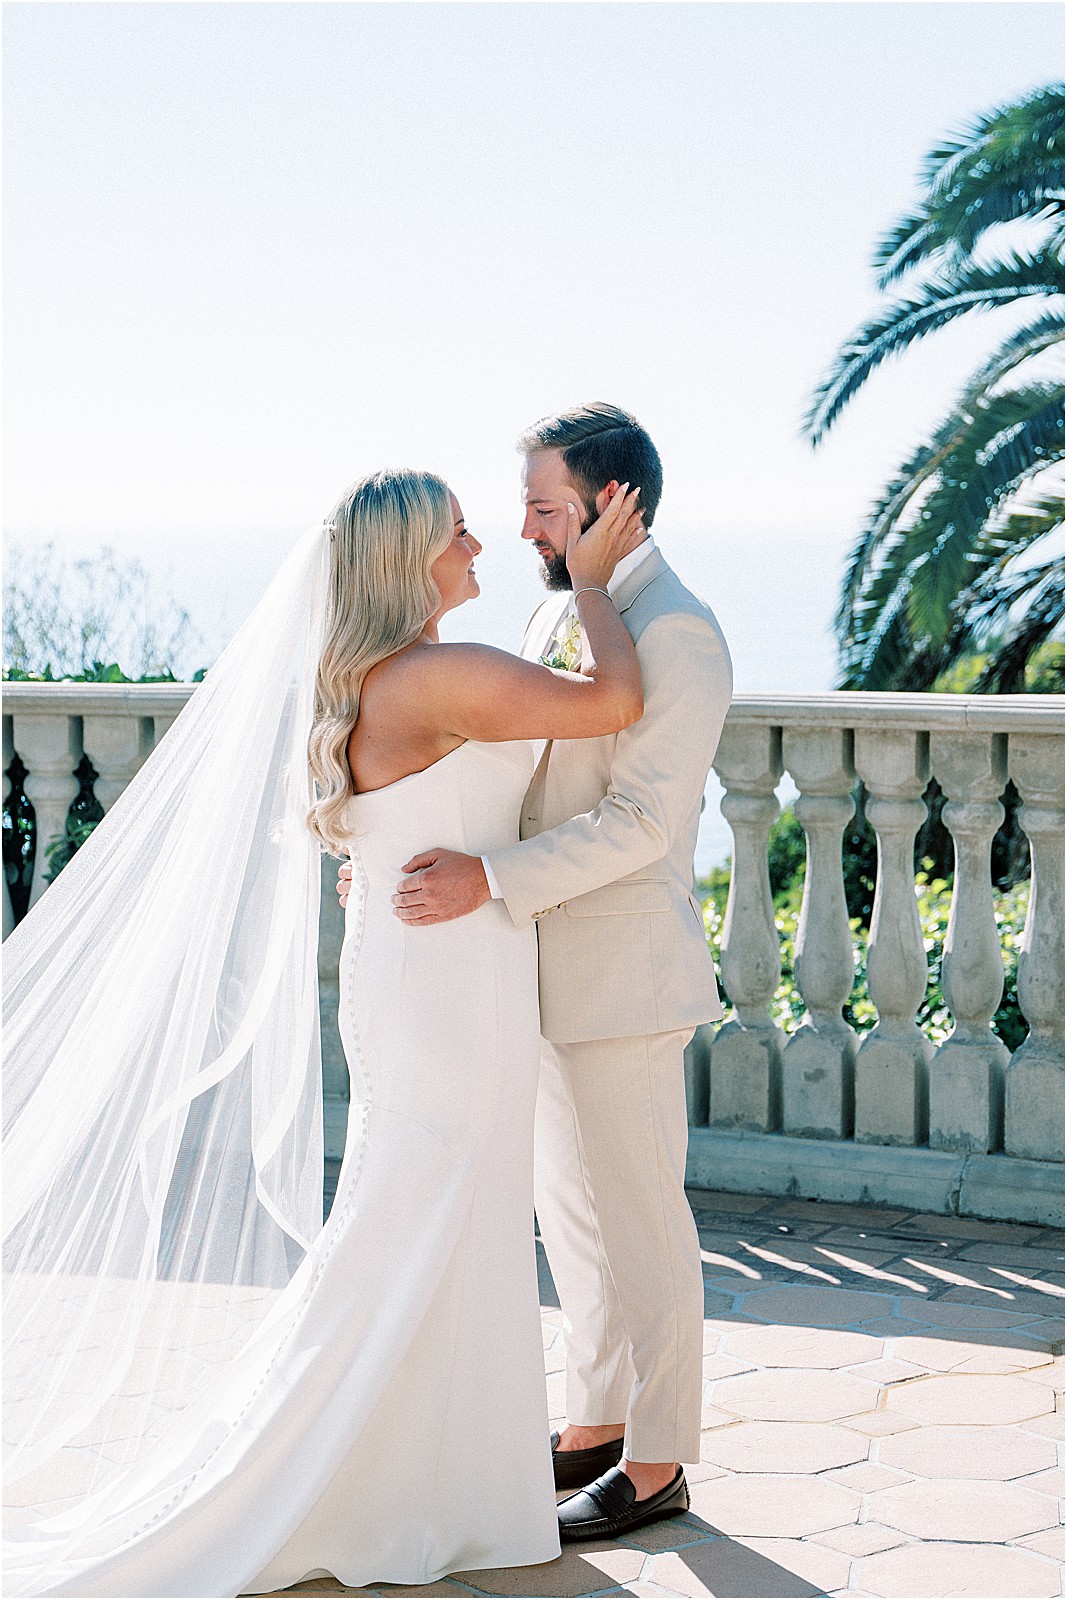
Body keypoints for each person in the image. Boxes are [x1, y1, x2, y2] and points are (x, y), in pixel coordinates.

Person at [3, 468, 645, 1597]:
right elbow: (614, 703)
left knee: (430, 1215)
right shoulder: (440, 672)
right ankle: (358, 1480)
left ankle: (438, 1482)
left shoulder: (369, 677)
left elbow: (390, 818)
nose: (478, 546)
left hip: (426, 967)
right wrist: (591, 580)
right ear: (408, 559)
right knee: (429, 1216)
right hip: (450, 979)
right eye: (457, 532)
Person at [339, 403, 733, 1543]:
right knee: (574, 1223)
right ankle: (595, 1422)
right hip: (524, 972)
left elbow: (641, 823)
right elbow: (493, 769)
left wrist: (489, 879)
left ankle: (657, 1459)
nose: (522, 531)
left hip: (619, 974)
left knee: (641, 1222)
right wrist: (385, 848)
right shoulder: (560, 611)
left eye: (543, 507)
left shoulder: (679, 633)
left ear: (613, 505)